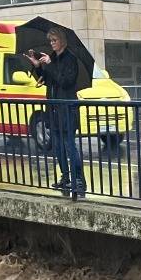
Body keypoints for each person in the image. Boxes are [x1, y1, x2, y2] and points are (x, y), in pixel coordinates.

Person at [26, 27, 85, 198]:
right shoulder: (52, 59)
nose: (52, 44)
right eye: (50, 41)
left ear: (62, 41)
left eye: (54, 40)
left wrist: (50, 66)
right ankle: (65, 176)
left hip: (67, 108)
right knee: (58, 146)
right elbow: (47, 80)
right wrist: (38, 67)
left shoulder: (70, 59)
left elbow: (66, 81)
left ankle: (78, 179)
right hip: (54, 108)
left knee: (69, 145)